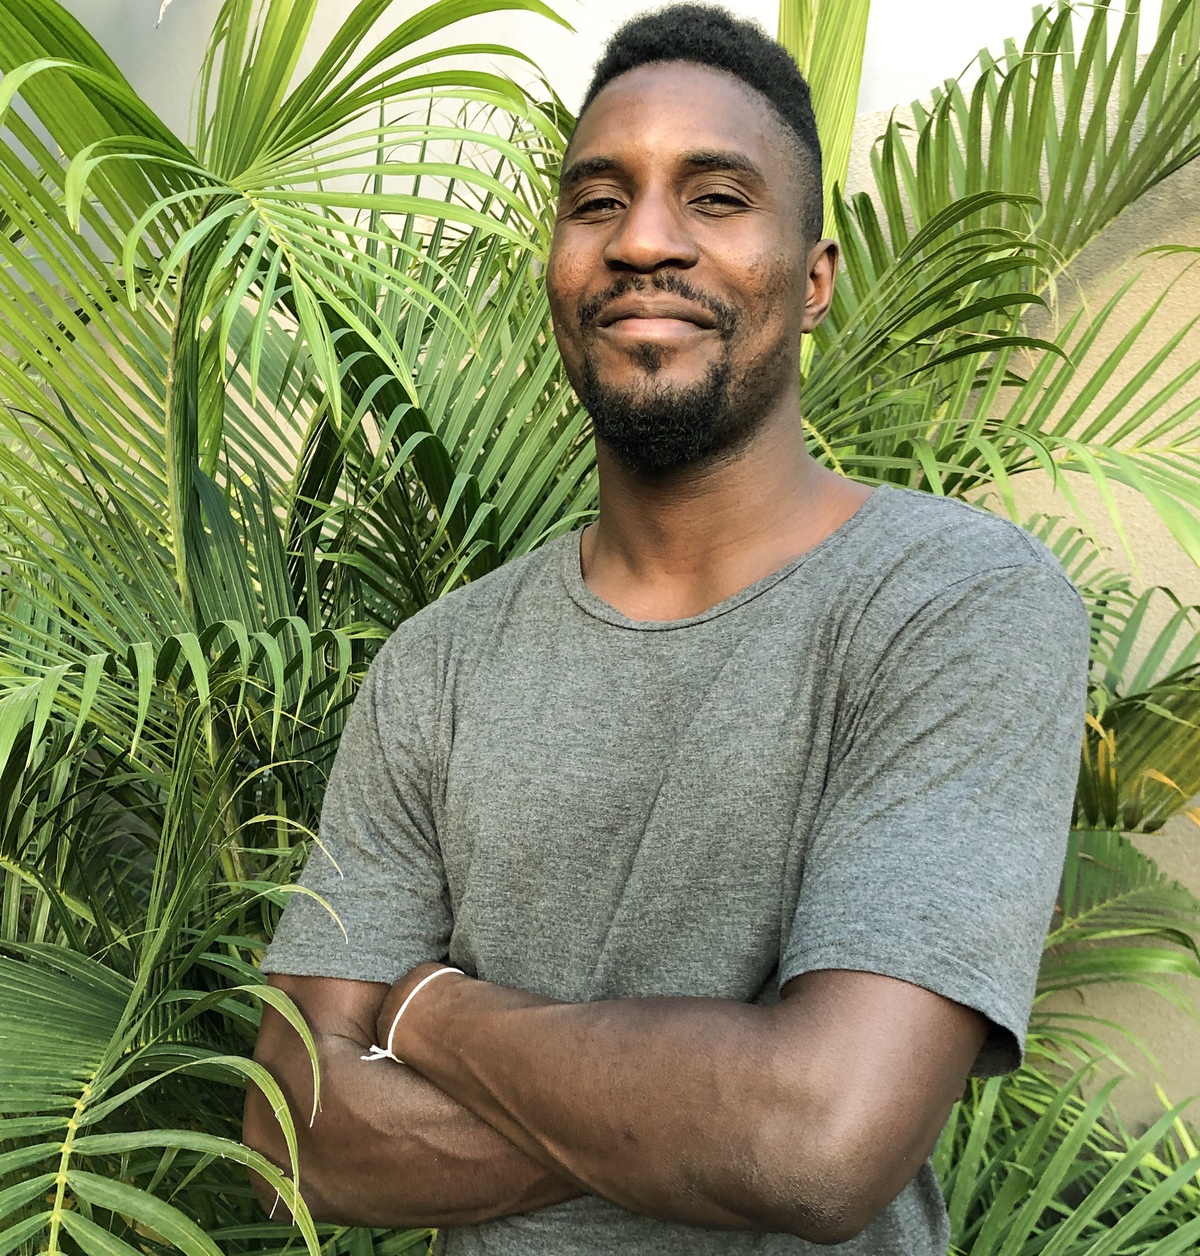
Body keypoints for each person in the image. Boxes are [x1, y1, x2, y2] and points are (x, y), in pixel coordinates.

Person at [243, 6, 1089, 1254]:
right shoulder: (439, 663)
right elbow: (290, 1137)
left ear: (812, 281)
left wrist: (426, 1013)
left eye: (716, 196)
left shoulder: (951, 600)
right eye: (598, 200)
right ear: (558, 275)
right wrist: (706, 1106)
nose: (644, 239)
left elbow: (817, 1140)